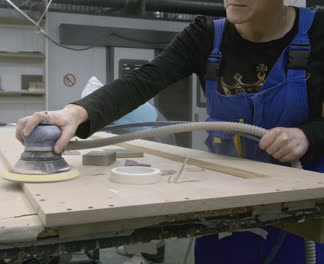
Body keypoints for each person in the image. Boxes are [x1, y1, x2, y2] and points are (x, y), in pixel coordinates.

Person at [17, 1, 324, 263]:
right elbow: (144, 79)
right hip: (229, 201)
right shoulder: (207, 35)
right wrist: (75, 113)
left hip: (300, 200)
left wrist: (309, 135)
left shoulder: (319, 32)